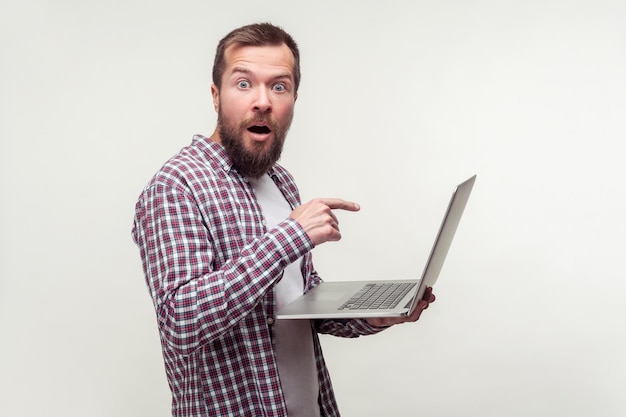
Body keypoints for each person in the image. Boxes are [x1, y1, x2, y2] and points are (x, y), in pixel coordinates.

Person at [132, 22, 436, 417]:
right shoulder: (176, 186)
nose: (262, 101)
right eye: (243, 84)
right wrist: (289, 237)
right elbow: (181, 321)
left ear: (293, 98)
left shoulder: (280, 181)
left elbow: (296, 301)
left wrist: (374, 314)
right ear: (215, 95)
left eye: (279, 86)